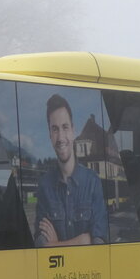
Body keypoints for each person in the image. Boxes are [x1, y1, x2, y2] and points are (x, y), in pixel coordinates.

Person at [34, 93, 107, 247]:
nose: (60, 137)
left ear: (73, 131)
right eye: (55, 129)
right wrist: (83, 240)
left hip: (88, 272)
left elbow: (99, 242)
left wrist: (56, 244)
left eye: (65, 127)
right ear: (49, 134)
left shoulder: (93, 182)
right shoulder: (44, 186)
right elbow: (40, 244)